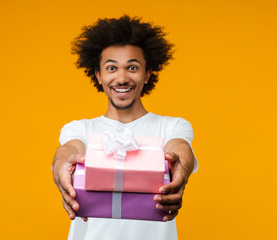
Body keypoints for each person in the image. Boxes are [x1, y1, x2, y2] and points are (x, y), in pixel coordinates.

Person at [52, 15, 198, 240]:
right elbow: (69, 150)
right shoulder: (80, 128)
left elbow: (180, 149)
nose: (121, 78)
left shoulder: (172, 126)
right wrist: (60, 166)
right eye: (111, 68)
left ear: (147, 74)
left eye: (132, 67)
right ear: (99, 76)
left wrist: (181, 169)